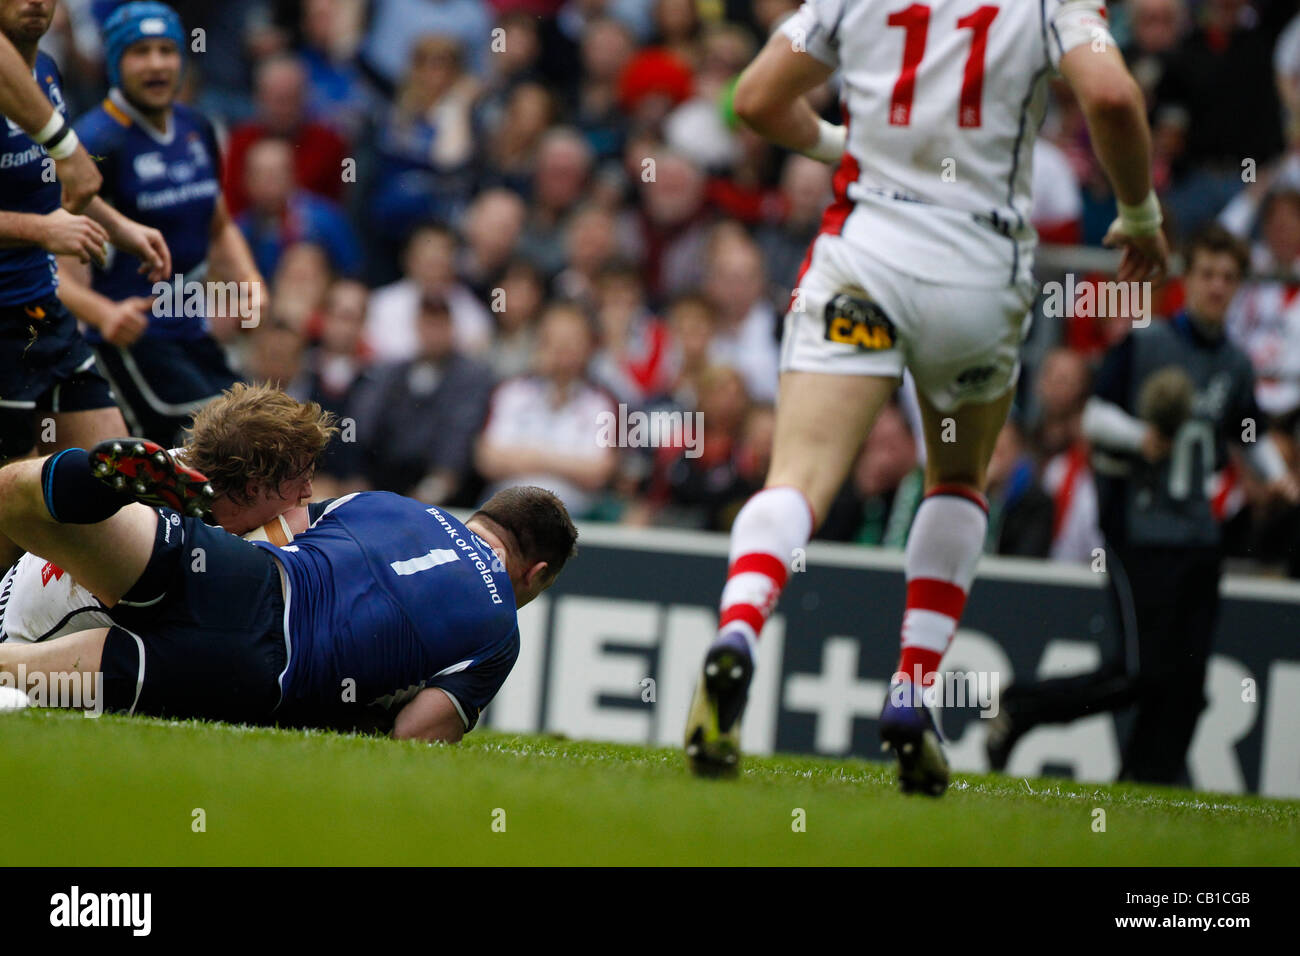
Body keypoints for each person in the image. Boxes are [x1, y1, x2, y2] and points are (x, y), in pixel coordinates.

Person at [683, 0, 1169, 795]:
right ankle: (912, 688)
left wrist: (842, 144)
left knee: (797, 479)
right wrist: (1140, 212)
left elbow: (759, 96)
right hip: (976, 272)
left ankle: (738, 628)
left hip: (866, 248)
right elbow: (1113, 97)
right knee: (955, 479)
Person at [0, 428, 577, 740]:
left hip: (235, 572)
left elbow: (284, 529)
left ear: (482, 513)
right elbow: (414, 733)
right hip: (250, 667)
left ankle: (86, 485)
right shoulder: (501, 627)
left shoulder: (391, 505)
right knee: (24, 676)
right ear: (537, 574)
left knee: (23, 498)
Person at [986, 226, 1299, 784]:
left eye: (1229, 278)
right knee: (1137, 669)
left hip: (1197, 533)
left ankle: (1143, 785)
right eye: (1207, 274)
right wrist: (1141, 438)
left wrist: (1277, 477)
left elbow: (1246, 431)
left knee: (1187, 680)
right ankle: (1025, 705)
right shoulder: (1146, 344)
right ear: (1188, 277)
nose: (1217, 287)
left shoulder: (1234, 362)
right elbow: (1094, 415)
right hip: (1140, 526)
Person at [0, 0, 169, 569]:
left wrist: (124, 229)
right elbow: (50, 209)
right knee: (12, 524)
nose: (35, 2)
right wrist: (41, 231)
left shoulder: (45, 70)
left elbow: (64, 181)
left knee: (122, 485)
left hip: (46, 318)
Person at [59, 2, 266, 447]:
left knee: (253, 432)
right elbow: (54, 269)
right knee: (219, 447)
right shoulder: (94, 143)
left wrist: (248, 281)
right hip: (133, 346)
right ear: (116, 63)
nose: (156, 64)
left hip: (192, 330)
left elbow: (220, 223)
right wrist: (104, 314)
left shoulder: (197, 128)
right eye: (140, 52)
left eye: (166, 50)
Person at [1, 382, 330, 644]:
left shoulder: (180, 465)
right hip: (22, 635)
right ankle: (95, 485)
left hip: (31, 576)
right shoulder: (175, 534)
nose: (308, 492)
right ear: (253, 488)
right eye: (300, 479)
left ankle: (93, 484)